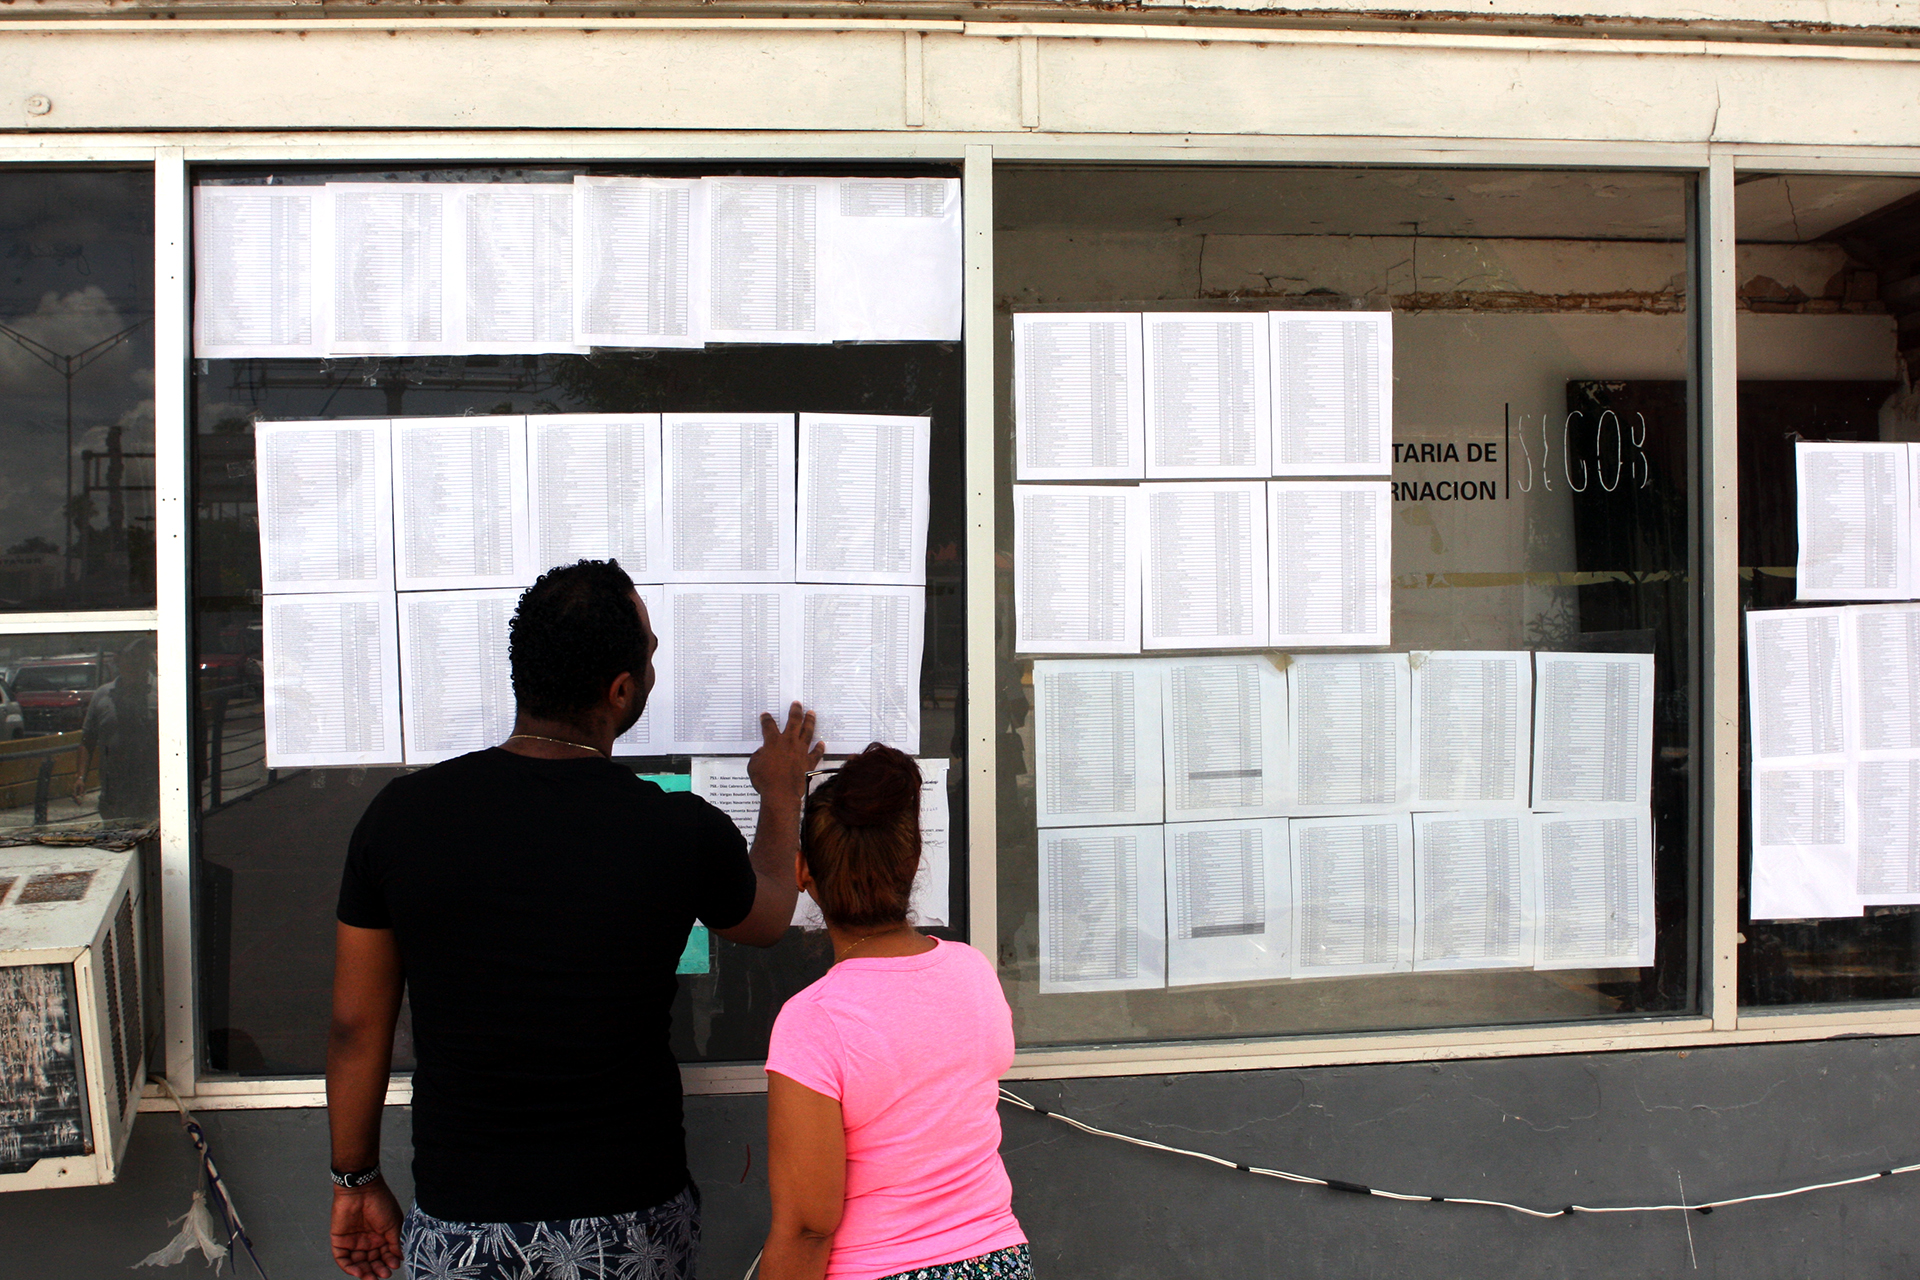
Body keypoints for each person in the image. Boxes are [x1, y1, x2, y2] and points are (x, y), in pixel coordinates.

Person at [325, 559, 823, 1280]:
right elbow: (769, 914)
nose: (653, 664)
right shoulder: (673, 828)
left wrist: (354, 1179)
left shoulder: (400, 819)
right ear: (620, 692)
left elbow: (353, 1025)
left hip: (464, 1221)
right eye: (649, 654)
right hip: (630, 1224)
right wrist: (781, 796)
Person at [761, 744, 1029, 1280]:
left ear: (801, 872)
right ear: (913, 862)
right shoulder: (972, 972)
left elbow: (809, 1225)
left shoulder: (813, 1021)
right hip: (999, 1259)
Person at [72, 637, 159, 822]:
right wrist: (80, 777)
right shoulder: (102, 695)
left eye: (141, 656)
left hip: (153, 791)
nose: (136, 662)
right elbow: (88, 739)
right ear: (118, 661)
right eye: (130, 657)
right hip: (114, 791)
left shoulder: (163, 692)